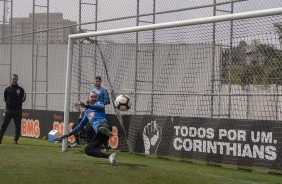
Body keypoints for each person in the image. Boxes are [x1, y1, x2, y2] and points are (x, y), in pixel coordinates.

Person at [60, 92, 117, 165]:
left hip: (104, 126)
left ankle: (106, 130)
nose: (93, 98)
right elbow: (80, 126)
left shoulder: (99, 103)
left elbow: (99, 107)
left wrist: (84, 105)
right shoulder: (87, 113)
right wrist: (68, 134)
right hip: (100, 135)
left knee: (101, 125)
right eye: (92, 97)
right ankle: (110, 156)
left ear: (97, 98)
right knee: (88, 150)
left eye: (95, 97)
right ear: (88, 98)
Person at [0, 74, 26, 144]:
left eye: (15, 79)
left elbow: (23, 98)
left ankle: (15, 140)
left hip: (17, 110)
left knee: (17, 126)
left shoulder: (21, 89)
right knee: (4, 125)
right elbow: (4, 98)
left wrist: (17, 103)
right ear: (11, 80)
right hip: (8, 110)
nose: (14, 80)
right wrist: (9, 104)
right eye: (13, 79)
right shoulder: (7, 89)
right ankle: (0, 139)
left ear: (17, 80)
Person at [91, 76, 111, 151]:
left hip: (99, 112)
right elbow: (90, 99)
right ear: (94, 82)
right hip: (92, 111)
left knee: (101, 129)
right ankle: (97, 145)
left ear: (101, 82)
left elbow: (108, 101)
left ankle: (106, 146)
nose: (97, 82)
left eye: (99, 81)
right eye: (96, 81)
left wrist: (100, 103)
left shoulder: (103, 90)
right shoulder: (92, 90)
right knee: (93, 128)